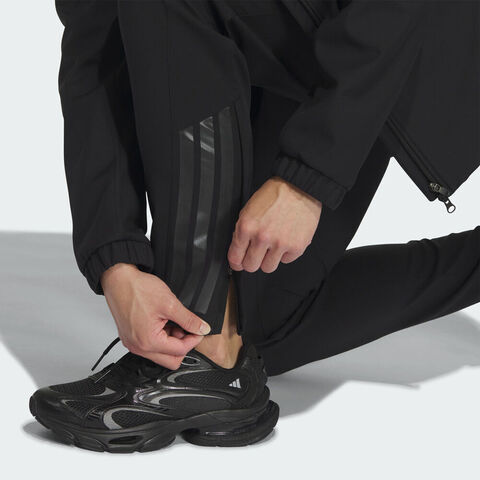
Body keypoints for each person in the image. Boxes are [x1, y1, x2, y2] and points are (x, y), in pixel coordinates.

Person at [30, 0, 479, 453]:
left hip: (393, 42)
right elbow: (94, 36)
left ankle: (204, 354)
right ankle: (214, 350)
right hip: (283, 37)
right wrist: (116, 262)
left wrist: (306, 180)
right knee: (256, 324)